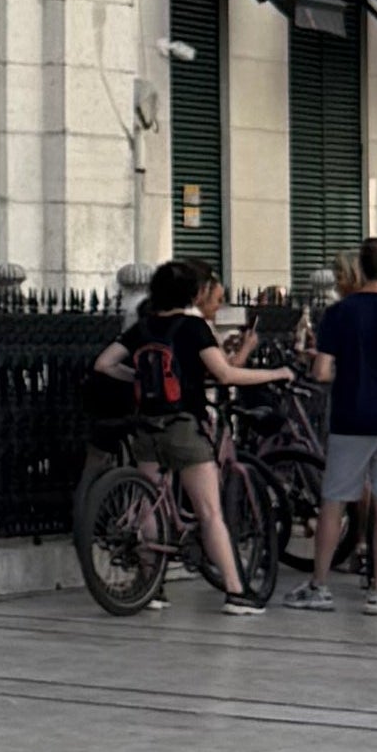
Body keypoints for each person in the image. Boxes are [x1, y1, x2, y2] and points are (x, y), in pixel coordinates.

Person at [97, 256, 283, 611]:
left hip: (145, 426)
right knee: (210, 512)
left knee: (147, 506)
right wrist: (276, 374)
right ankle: (235, 591)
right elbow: (225, 375)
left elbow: (104, 364)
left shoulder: (143, 327)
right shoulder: (193, 329)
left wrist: (136, 378)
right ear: (194, 293)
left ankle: (150, 585)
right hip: (183, 425)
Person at [290, 235, 377, 614]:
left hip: (351, 417)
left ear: (361, 268)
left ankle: (319, 584)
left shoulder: (339, 313)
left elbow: (322, 371)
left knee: (334, 500)